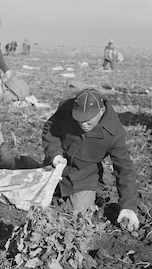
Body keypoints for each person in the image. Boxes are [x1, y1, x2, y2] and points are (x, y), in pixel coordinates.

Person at [42, 88, 140, 232]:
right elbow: (50, 130)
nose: (83, 124)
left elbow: (124, 169)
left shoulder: (114, 133)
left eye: (88, 120)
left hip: (84, 174)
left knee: (76, 216)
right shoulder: (67, 108)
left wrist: (128, 206)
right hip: (57, 164)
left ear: (101, 111)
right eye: (79, 119)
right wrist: (55, 154)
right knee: (34, 198)